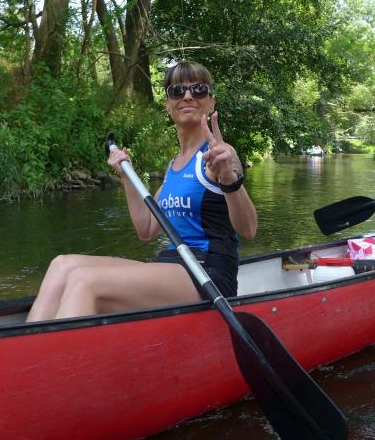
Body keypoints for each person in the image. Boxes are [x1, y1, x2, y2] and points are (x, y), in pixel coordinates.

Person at [26, 61, 257, 322]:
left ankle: (58, 347)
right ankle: (30, 344)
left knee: (84, 280)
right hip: (171, 266)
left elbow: (248, 229)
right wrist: (126, 176)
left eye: (199, 89)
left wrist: (228, 179)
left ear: (211, 102)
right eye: (177, 91)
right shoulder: (174, 165)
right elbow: (147, 230)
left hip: (209, 272)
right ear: (168, 105)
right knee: (62, 265)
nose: (188, 96)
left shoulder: (220, 154)